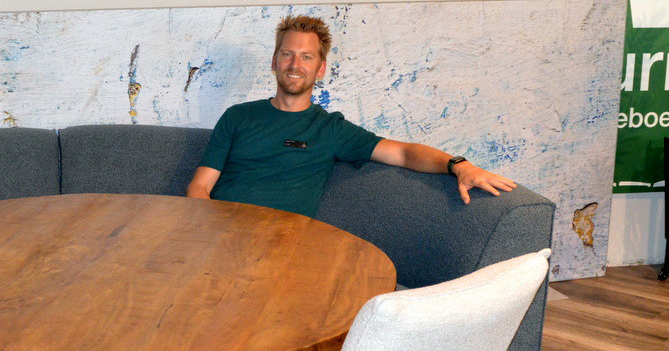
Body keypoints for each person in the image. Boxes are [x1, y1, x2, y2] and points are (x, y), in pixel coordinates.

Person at [186, 14, 516, 215]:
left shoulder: (330, 130)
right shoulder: (238, 117)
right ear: (274, 62)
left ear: (320, 69)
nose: (295, 65)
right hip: (222, 234)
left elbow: (403, 153)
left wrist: (459, 165)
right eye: (287, 54)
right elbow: (200, 187)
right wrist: (209, 229)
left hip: (283, 244)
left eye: (306, 57)